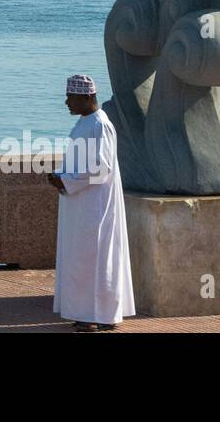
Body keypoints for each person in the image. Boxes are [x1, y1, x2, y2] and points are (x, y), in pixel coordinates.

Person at [47, 73, 135, 332]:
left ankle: (98, 315)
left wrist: (67, 181)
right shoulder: (84, 123)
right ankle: (87, 312)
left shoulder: (100, 125)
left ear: (87, 97)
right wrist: (62, 177)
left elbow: (101, 168)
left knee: (94, 258)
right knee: (81, 258)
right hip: (80, 204)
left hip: (95, 206)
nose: (66, 102)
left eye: (70, 97)